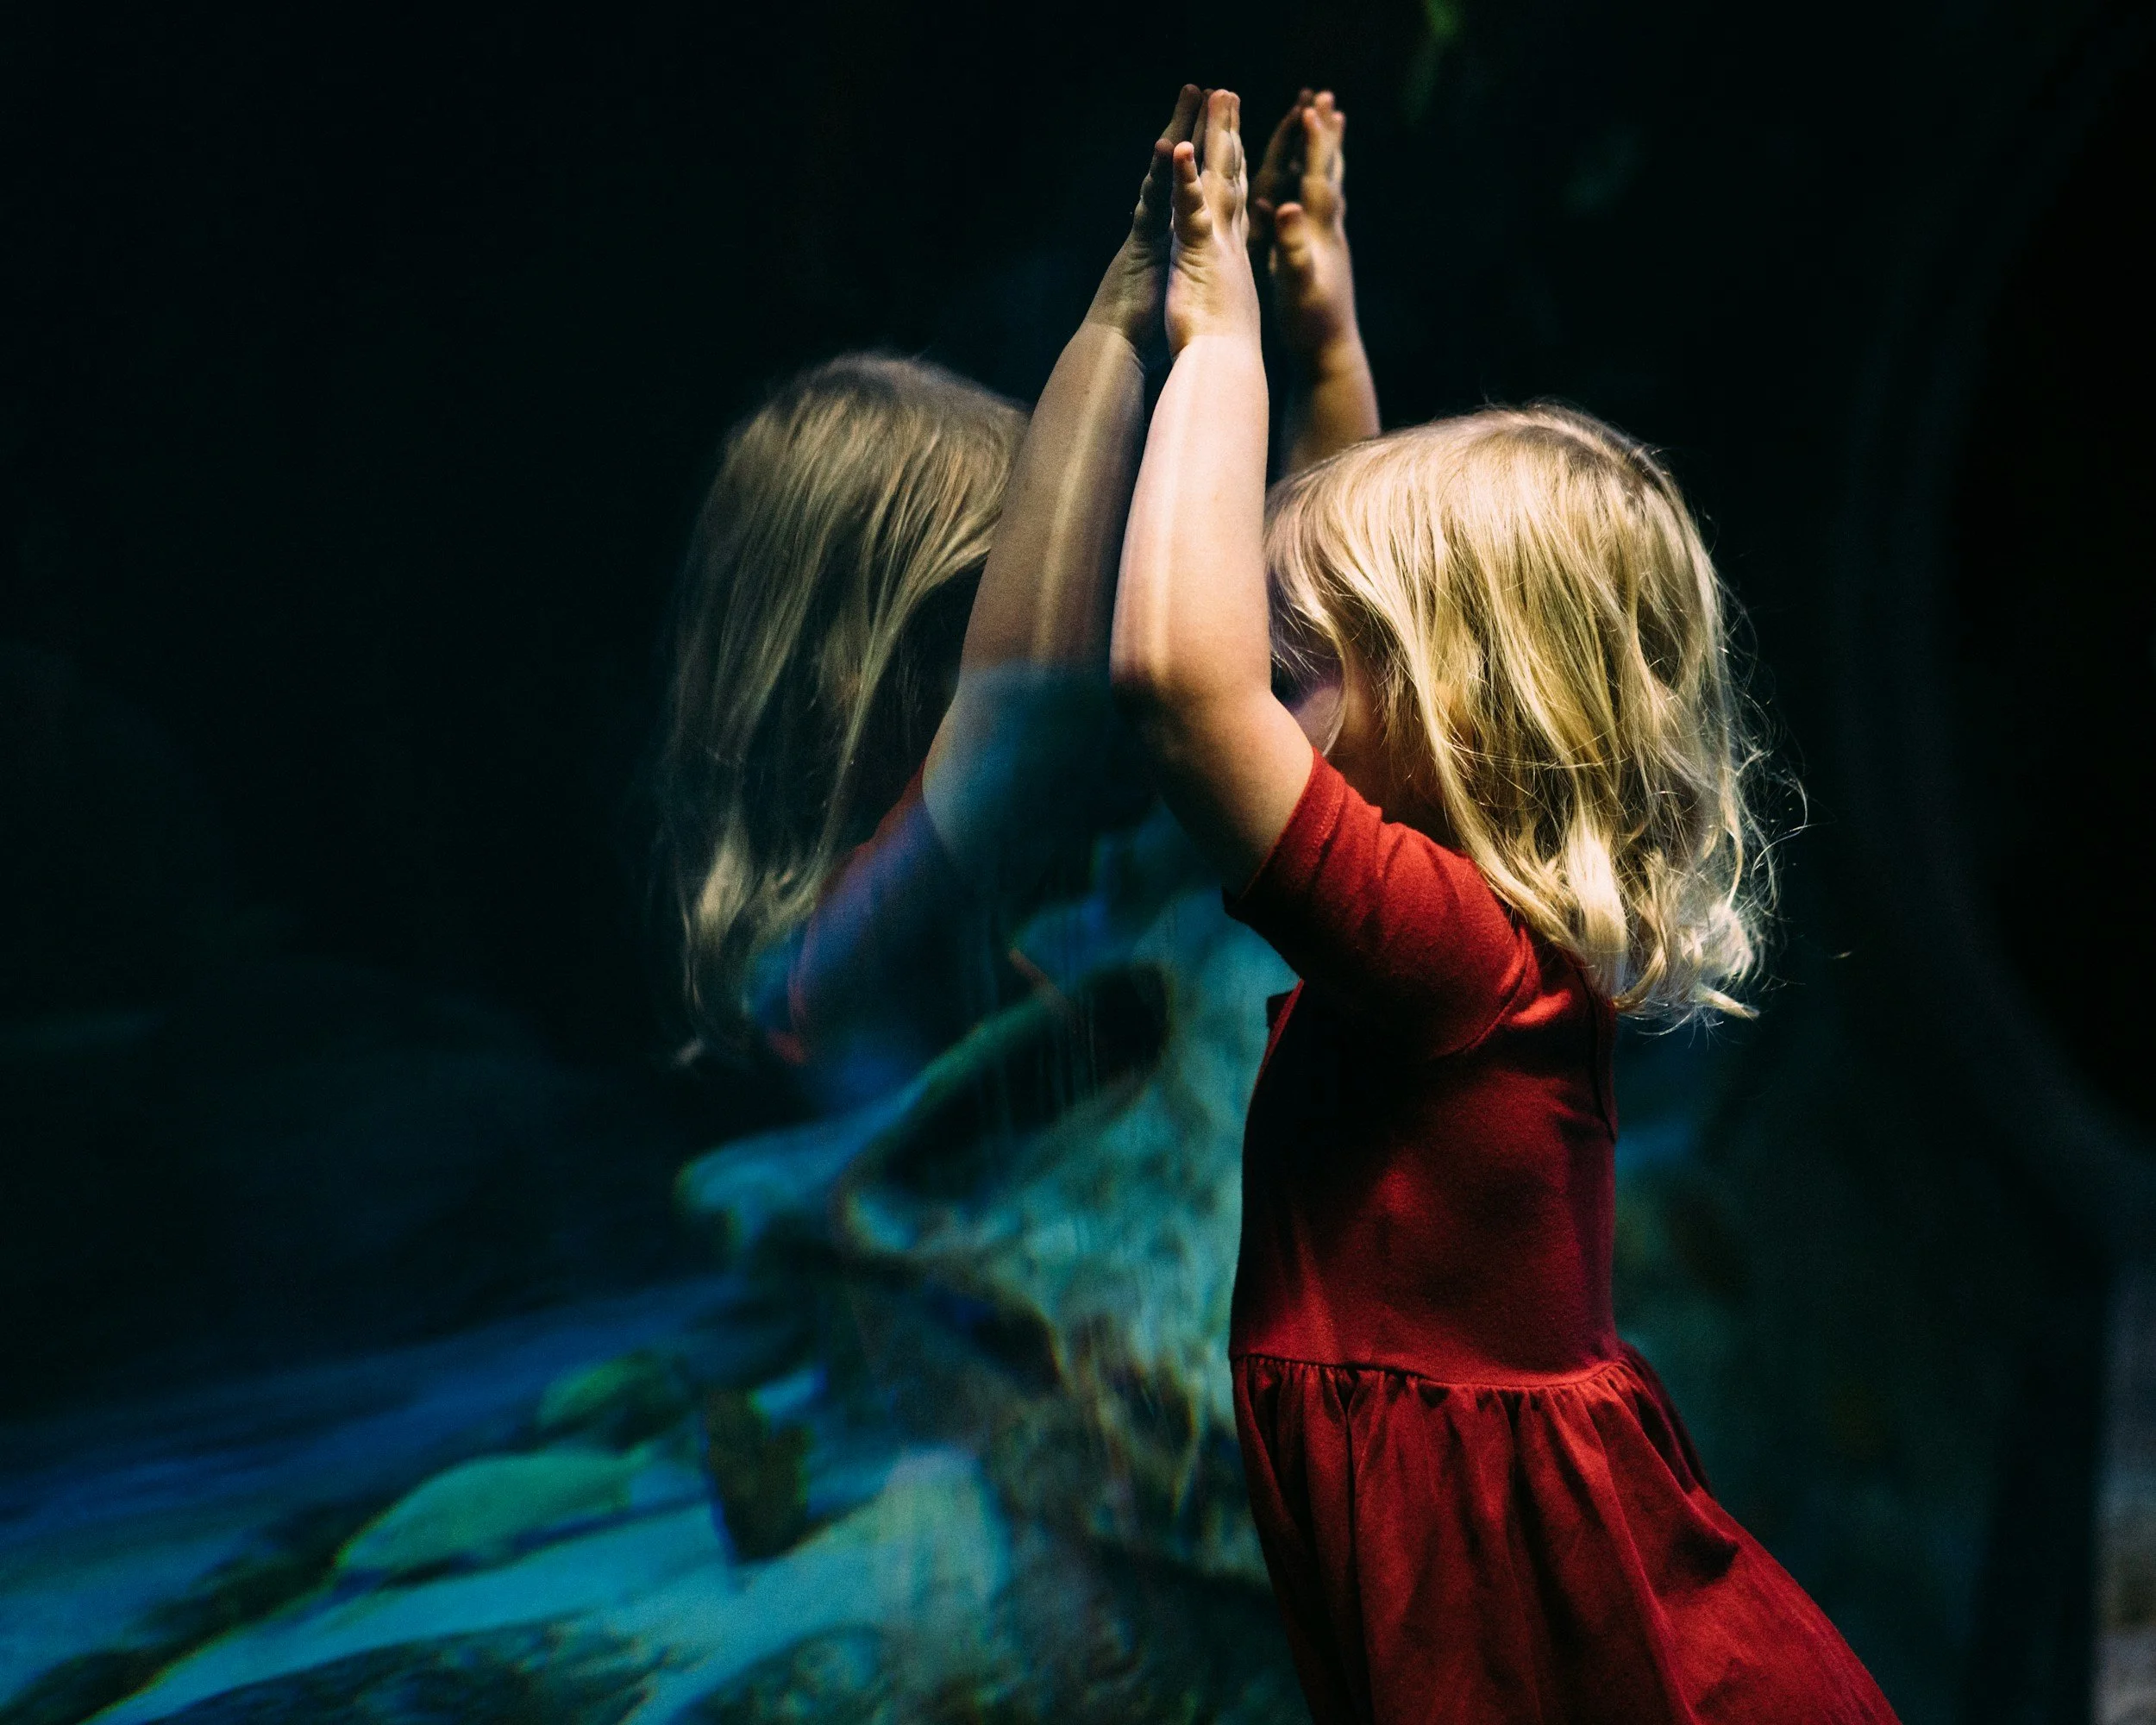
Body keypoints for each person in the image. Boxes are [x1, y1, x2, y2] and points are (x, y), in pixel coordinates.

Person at [1110, 90, 1897, 1724]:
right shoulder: (1478, 948)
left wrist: (1219, 344)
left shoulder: (1457, 963)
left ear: (1455, 708)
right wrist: (1326, 348)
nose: (1271, 698)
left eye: (1297, 672)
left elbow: (1182, 686)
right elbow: (1317, 620)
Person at [661, 85, 1379, 1108]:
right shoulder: (813, 977)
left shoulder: (1018, 928)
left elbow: (1294, 696)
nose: (1065, 626)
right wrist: (1117, 329)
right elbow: (1023, 715)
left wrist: (1324, 354)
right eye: (986, 608)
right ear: (841, 670)